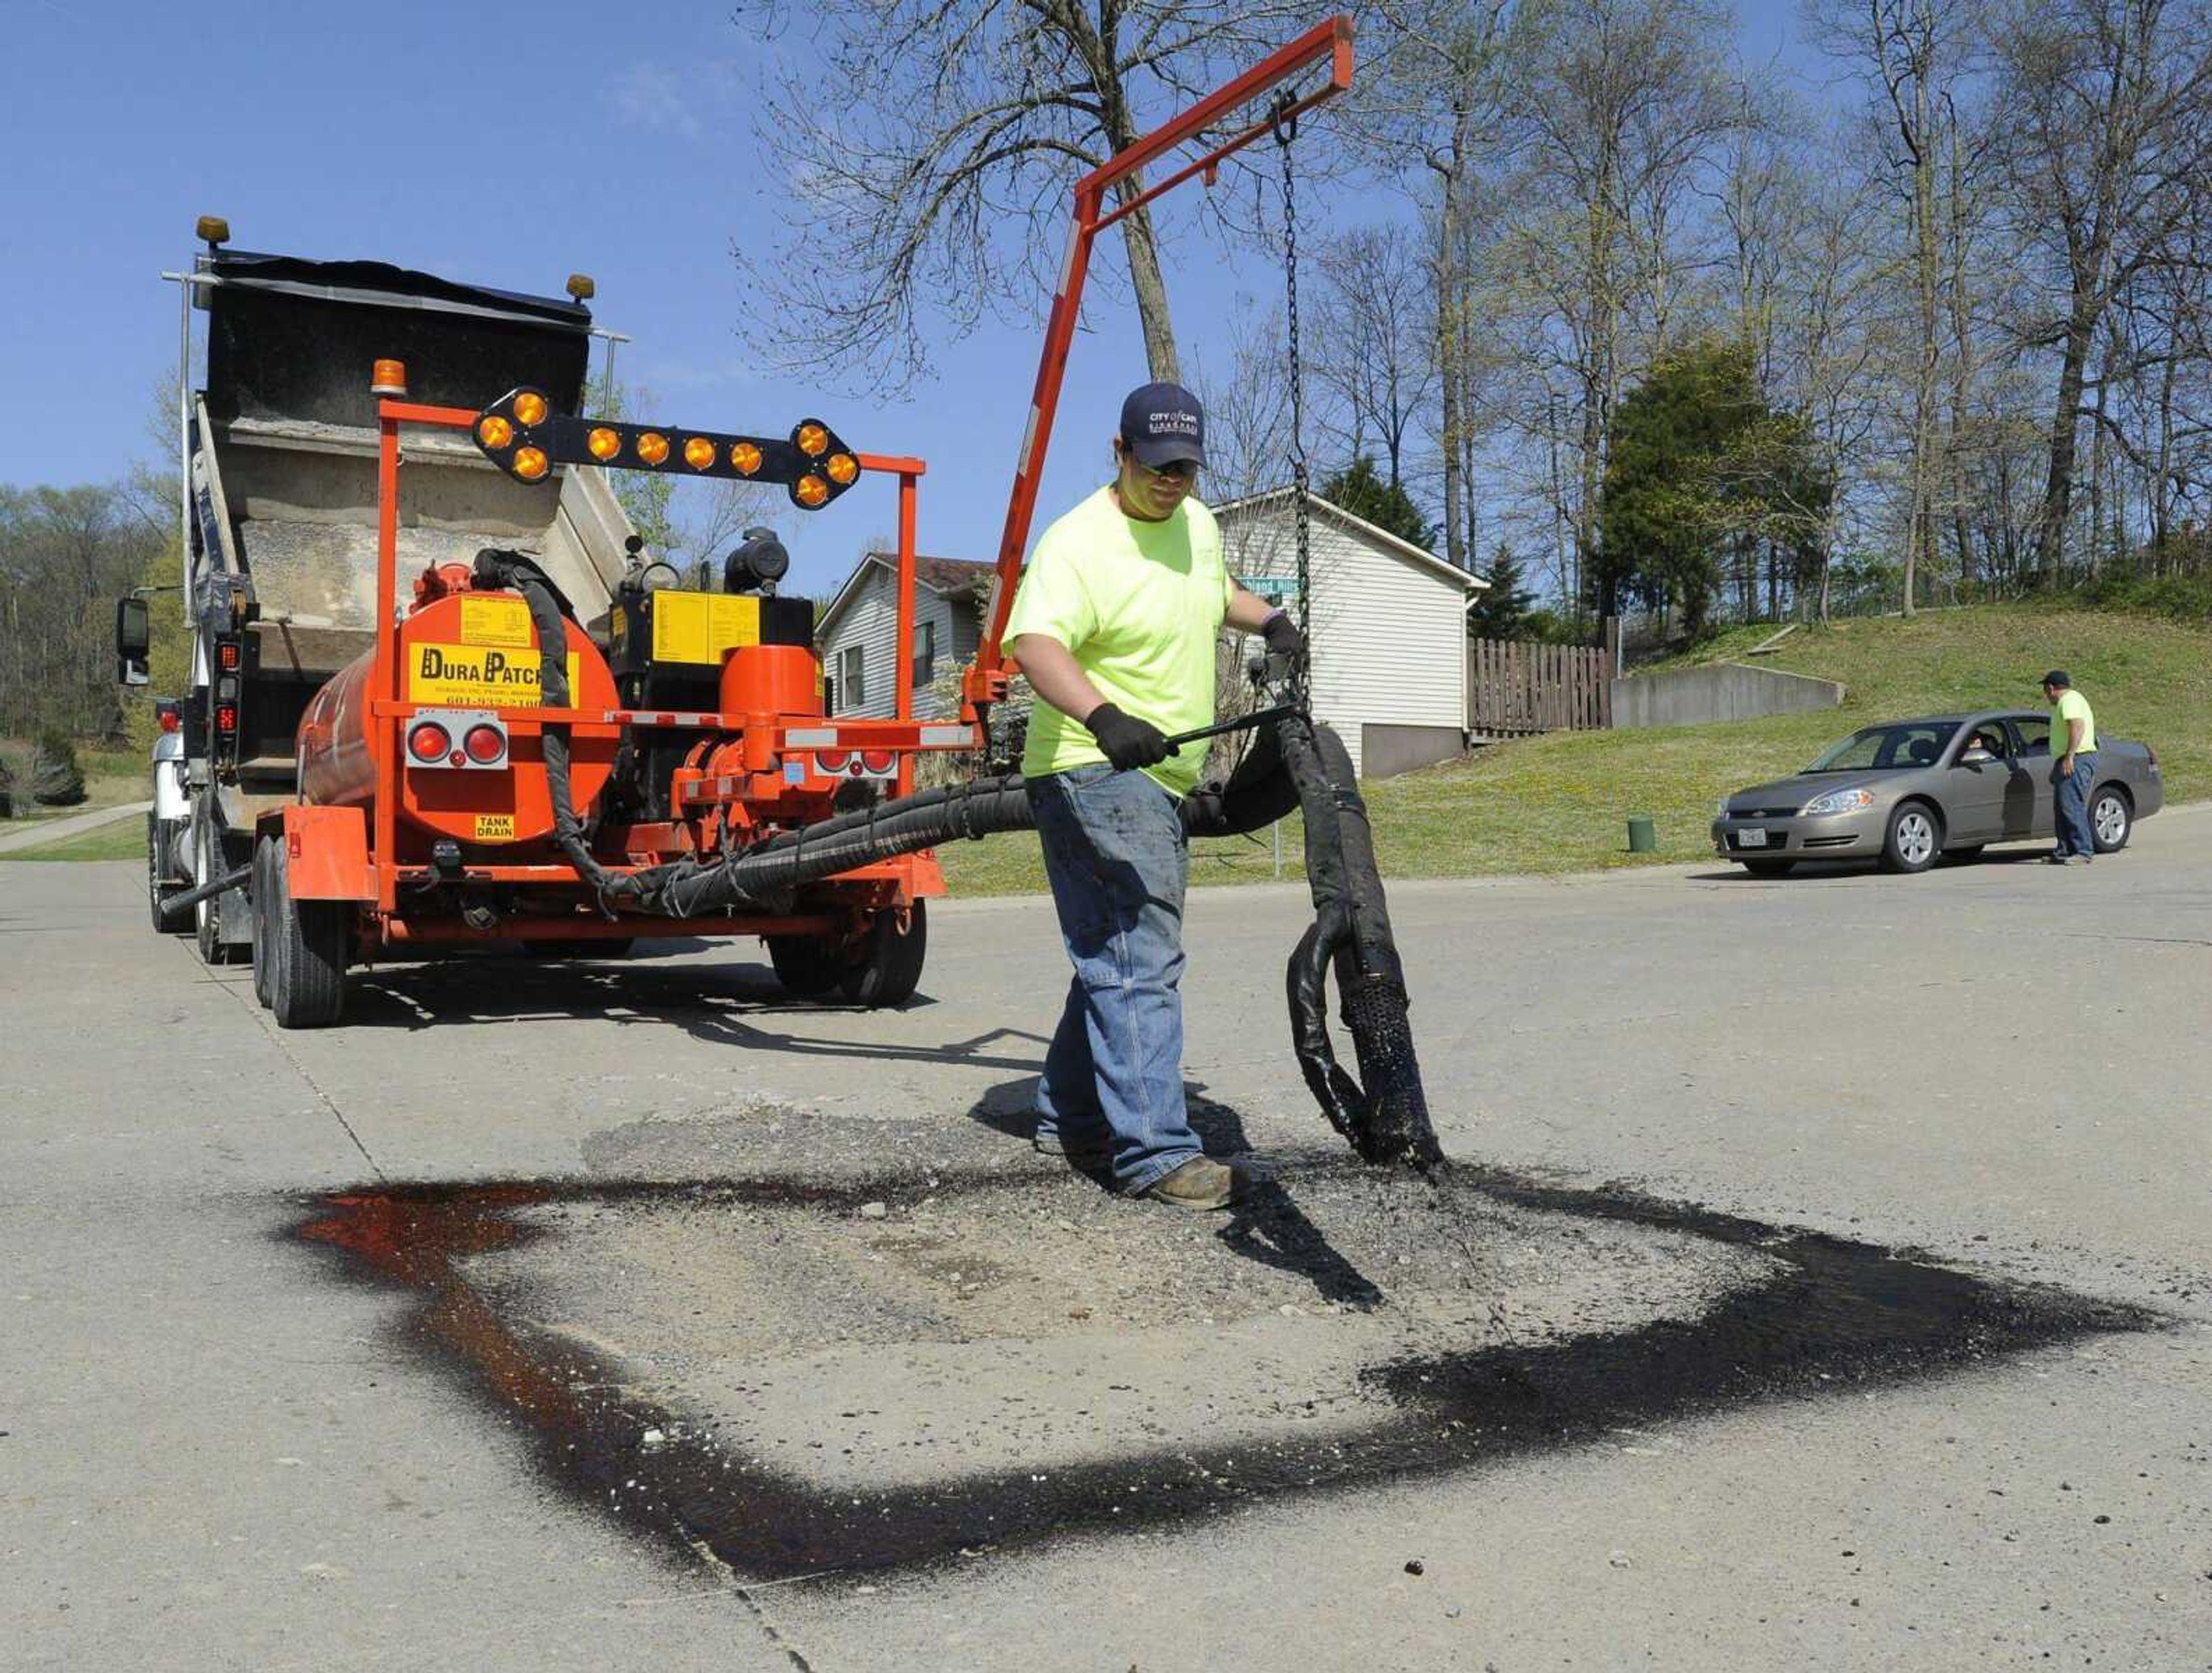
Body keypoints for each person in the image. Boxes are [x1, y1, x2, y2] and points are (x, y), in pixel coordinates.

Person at [1003, 381, 1302, 1211]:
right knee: (1139, 957)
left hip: (1162, 775)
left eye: (1186, 468)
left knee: (1115, 952)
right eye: (1158, 466)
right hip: (1090, 767)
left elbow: (1214, 592)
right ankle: (1156, 1155)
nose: (1172, 482)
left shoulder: (1198, 525)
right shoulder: (1079, 542)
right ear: (1120, 453)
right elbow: (1035, 643)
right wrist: (1103, 716)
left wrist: (1269, 618)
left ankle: (1071, 1119)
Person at [2040, 670, 2099, 864]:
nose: (2046, 695)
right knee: (2061, 808)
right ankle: (2064, 851)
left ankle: (2083, 851)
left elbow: (2077, 726)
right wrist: (2058, 764)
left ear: (2051, 688)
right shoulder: (2070, 701)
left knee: (2072, 805)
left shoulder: (2069, 701)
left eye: (2045, 690)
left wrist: (2069, 757)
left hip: (2078, 758)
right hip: (2067, 759)